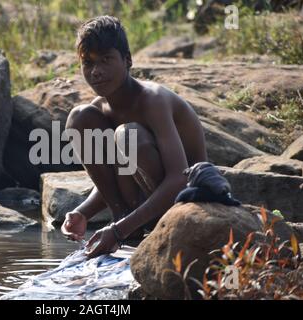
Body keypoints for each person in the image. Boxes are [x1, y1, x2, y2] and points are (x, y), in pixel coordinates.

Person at [61, 15, 207, 258]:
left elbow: (180, 178)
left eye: (106, 60)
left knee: (128, 136)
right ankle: (127, 222)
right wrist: (83, 213)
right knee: (80, 118)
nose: (96, 71)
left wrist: (118, 232)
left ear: (127, 60)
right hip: (142, 206)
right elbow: (121, 172)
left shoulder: (153, 100)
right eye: (88, 63)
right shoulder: (100, 110)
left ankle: (130, 226)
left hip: (188, 200)